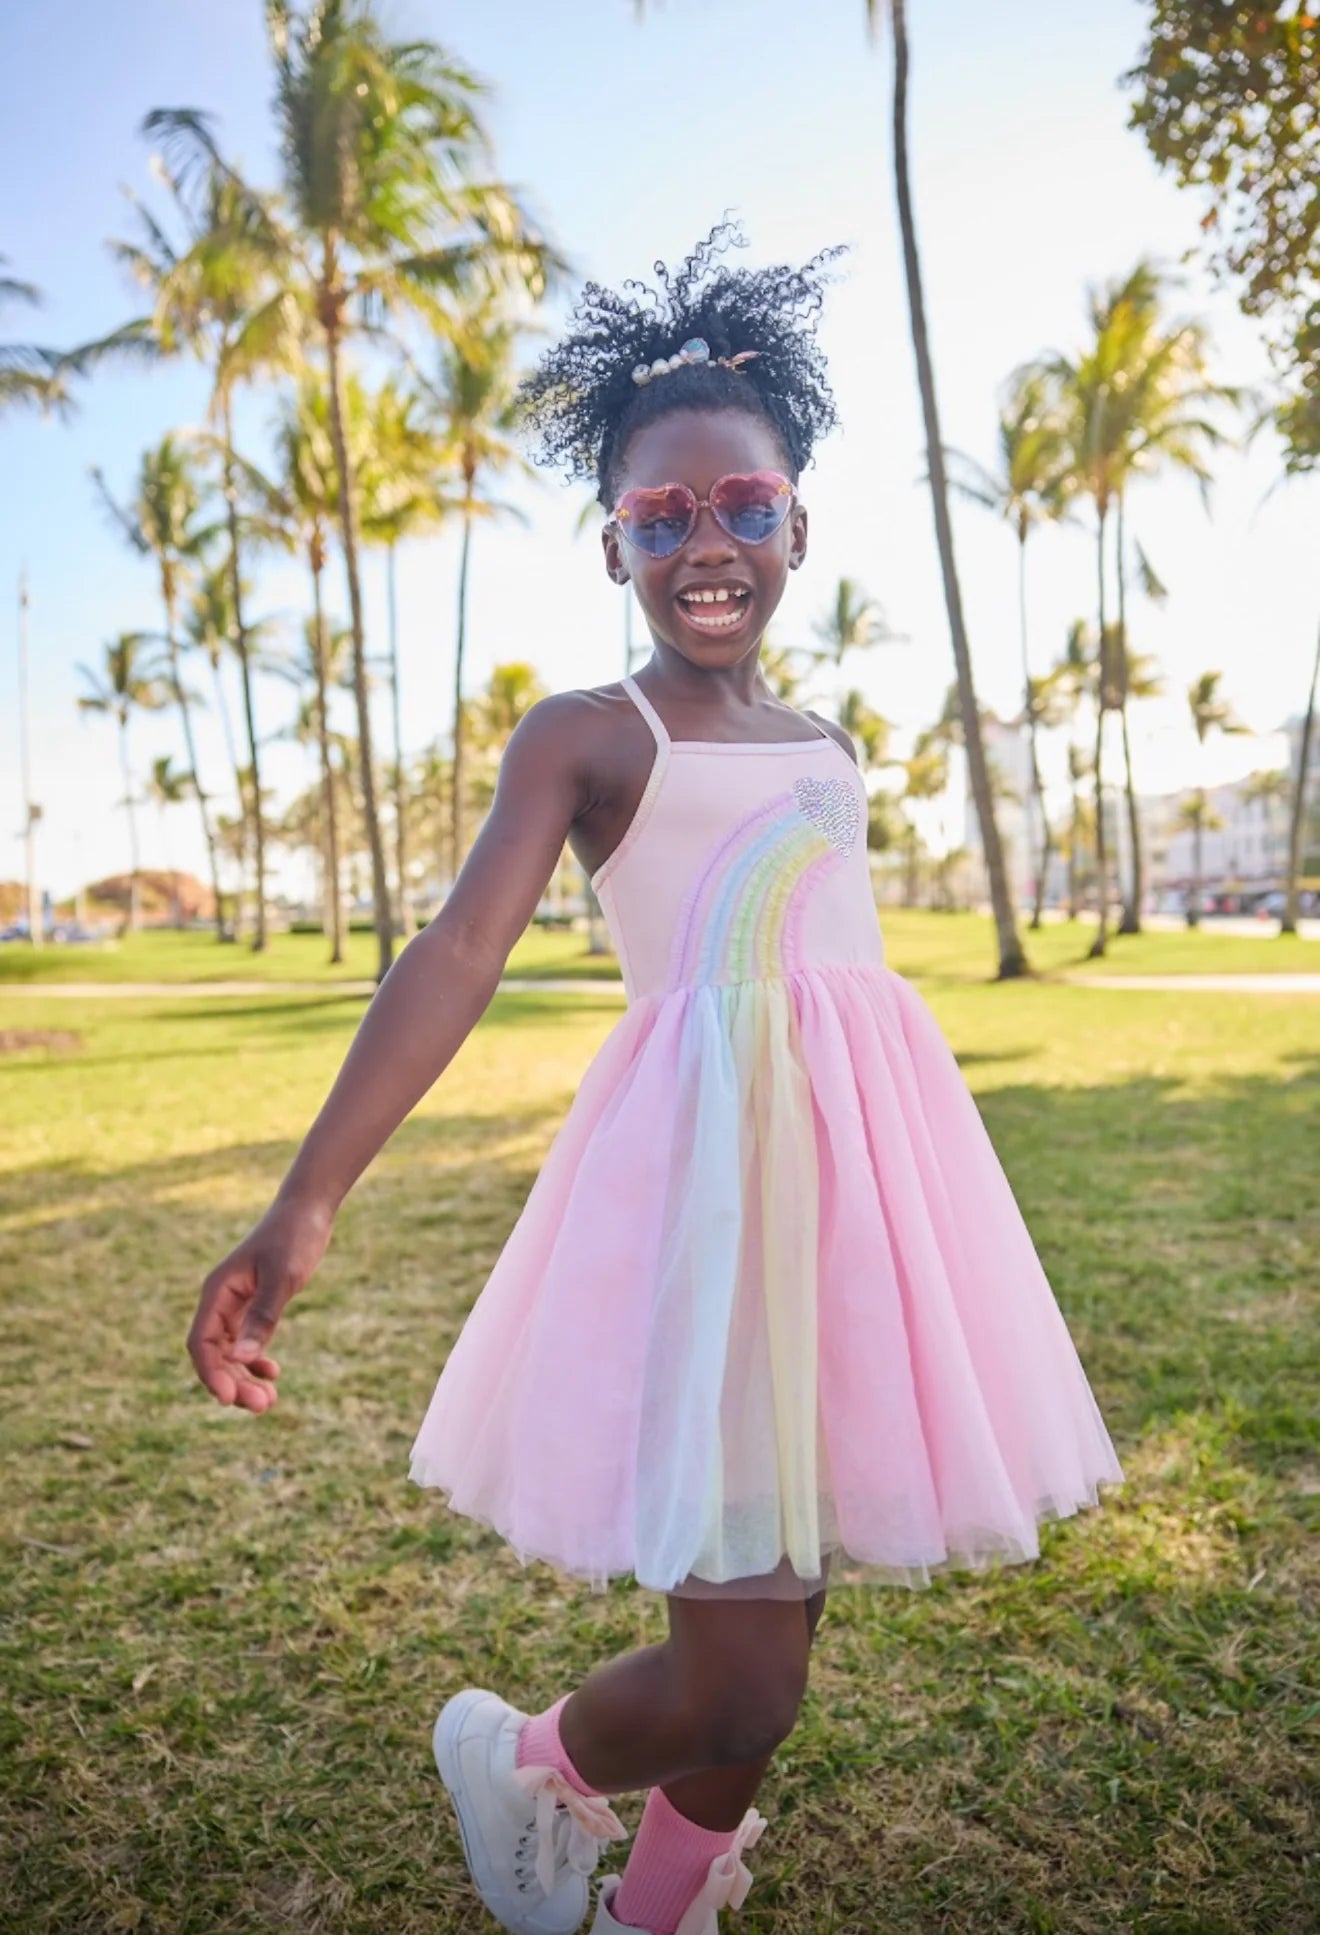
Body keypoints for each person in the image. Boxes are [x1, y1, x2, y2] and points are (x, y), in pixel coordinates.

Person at [187, 223, 1126, 1935]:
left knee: (773, 1662)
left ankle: (656, 1902)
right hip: (709, 1227)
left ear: (797, 525)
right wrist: (306, 1199)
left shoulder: (831, 749)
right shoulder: (590, 733)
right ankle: (535, 1763)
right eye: (662, 517)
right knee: (745, 1674)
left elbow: (832, 985)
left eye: (742, 509)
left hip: (852, 1223)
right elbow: (459, 956)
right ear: (614, 538)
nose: (708, 545)